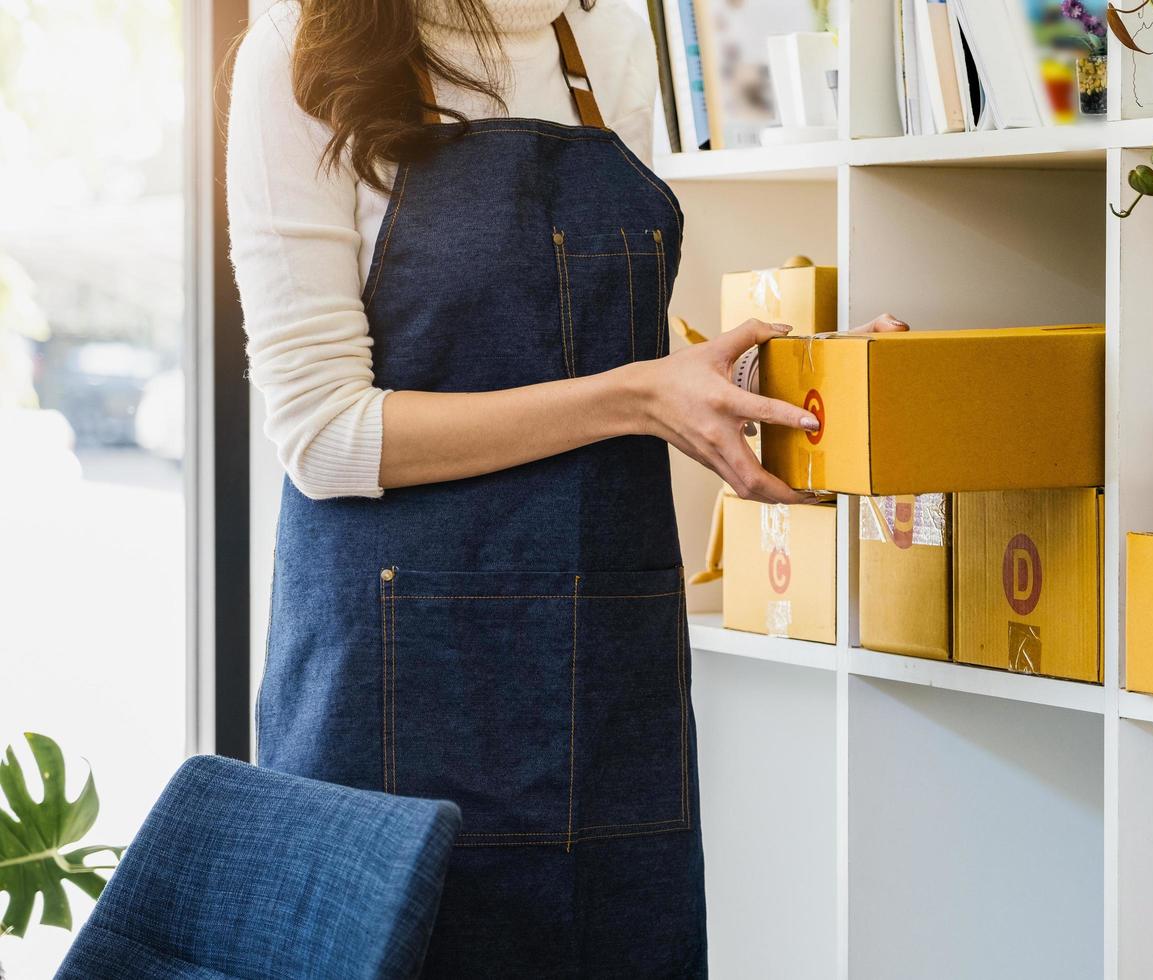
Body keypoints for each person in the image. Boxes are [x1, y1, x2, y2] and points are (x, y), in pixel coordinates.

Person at [227, 0, 904, 973]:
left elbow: (607, 339)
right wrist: (635, 397)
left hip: (606, 663)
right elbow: (323, 433)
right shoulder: (301, 47)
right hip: (391, 681)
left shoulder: (603, 39)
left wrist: (811, 387)